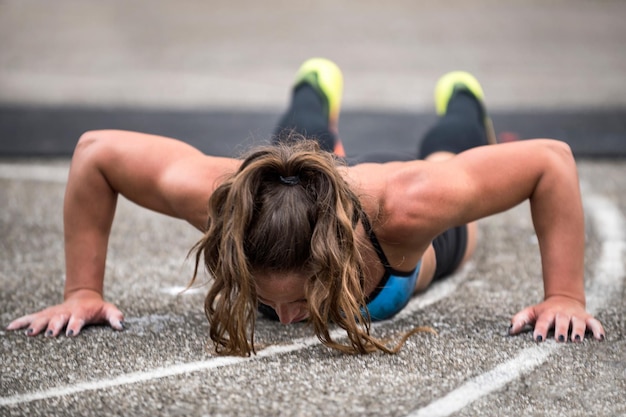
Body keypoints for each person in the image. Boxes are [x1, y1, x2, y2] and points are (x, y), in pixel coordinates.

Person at [6, 58, 605, 356]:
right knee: (293, 147)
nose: (286, 321)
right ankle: (314, 86)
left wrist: (564, 297)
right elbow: (96, 153)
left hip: (403, 225)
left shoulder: (406, 207)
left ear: (338, 253)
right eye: (267, 298)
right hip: (298, 181)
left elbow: (549, 161)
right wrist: (82, 290)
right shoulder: (221, 201)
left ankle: (464, 96)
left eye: (299, 299)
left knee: (451, 156)